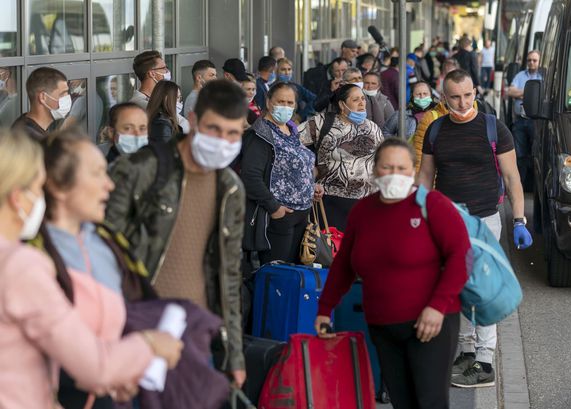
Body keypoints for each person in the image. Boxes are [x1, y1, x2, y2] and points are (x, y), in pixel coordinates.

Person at [0, 128, 182, 409]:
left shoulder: (106, 244)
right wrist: (151, 343)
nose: (42, 198)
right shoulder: (22, 264)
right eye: (38, 188)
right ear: (16, 198)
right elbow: (95, 366)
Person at [105, 79, 249, 387]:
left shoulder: (230, 189)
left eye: (233, 133)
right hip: (136, 329)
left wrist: (233, 354)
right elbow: (102, 249)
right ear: (193, 120)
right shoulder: (140, 169)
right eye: (214, 129)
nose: (222, 141)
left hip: (194, 334)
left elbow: (229, 274)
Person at [315, 139, 470, 409]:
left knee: (430, 401)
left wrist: (437, 307)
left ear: (413, 171)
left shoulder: (432, 205)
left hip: (430, 324)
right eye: (387, 167)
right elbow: (343, 266)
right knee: (402, 401)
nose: (394, 174)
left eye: (402, 167)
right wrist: (325, 308)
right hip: (383, 326)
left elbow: (461, 258)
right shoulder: (362, 211)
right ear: (375, 170)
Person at [417, 70, 533, 388]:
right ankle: (467, 352)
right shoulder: (436, 130)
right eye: (455, 96)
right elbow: (425, 177)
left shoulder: (494, 128)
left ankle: (485, 359)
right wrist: (418, 213)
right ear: (444, 98)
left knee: (480, 288)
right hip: (447, 220)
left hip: (484, 220)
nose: (463, 102)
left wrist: (520, 220)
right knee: (458, 285)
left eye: (468, 95)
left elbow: (512, 178)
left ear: (475, 92)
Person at [36, 129, 157, 409]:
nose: (109, 185)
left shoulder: (109, 245)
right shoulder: (31, 255)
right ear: (57, 185)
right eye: (96, 173)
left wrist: (124, 373)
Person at [240, 82, 322, 264]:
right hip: (280, 217)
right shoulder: (261, 134)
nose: (285, 107)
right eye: (281, 101)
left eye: (290, 103)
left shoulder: (291, 129)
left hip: (301, 214)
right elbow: (250, 177)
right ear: (268, 102)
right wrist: (274, 208)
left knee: (295, 276)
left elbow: (295, 165)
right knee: (278, 276)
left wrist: (311, 184)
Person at [299, 84, 384, 230]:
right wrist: (308, 172)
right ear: (342, 105)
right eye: (355, 99)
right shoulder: (322, 123)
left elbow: (382, 159)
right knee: (332, 249)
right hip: (330, 202)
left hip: (366, 201)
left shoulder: (372, 128)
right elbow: (292, 142)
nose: (362, 103)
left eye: (363, 99)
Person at [507, 50, 542, 191]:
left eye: (534, 60)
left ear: (539, 62)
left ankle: (533, 187)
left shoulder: (543, 76)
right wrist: (531, 92)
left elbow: (543, 95)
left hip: (536, 121)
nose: (531, 63)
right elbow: (510, 92)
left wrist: (520, 93)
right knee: (520, 155)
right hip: (520, 121)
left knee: (535, 154)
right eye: (529, 60)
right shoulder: (520, 75)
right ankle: (519, 186)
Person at [11, 67, 69, 142]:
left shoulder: (25, 124)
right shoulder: (32, 140)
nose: (67, 99)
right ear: (43, 97)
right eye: (62, 94)